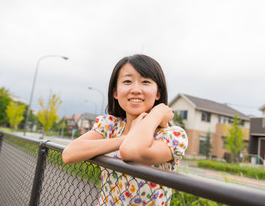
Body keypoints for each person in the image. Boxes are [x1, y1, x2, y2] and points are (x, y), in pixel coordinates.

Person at [62, 54, 188, 206]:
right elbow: (69, 154)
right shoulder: (110, 125)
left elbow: (131, 151)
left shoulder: (171, 135)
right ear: (115, 92)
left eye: (145, 82)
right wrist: (124, 137)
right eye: (127, 81)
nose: (135, 89)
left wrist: (156, 114)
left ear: (158, 93)